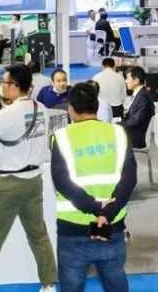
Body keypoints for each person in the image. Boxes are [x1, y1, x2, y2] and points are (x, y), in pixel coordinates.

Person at [0, 64, 57, 292]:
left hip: (8, 185)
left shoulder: (7, 115)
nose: (1, 86)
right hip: (34, 181)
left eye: (4, 83)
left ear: (14, 86)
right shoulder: (41, 108)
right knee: (38, 235)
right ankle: (48, 284)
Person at [51, 82, 137, 292]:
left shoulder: (61, 137)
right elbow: (129, 179)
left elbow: (62, 182)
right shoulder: (118, 133)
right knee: (116, 281)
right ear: (97, 106)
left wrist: (94, 208)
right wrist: (106, 213)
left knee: (72, 285)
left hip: (73, 228)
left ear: (71, 108)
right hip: (111, 225)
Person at [122, 66, 155, 149]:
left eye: (127, 78)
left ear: (136, 80)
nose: (125, 81)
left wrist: (118, 125)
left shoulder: (143, 97)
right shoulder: (140, 94)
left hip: (135, 138)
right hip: (134, 132)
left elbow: (136, 121)